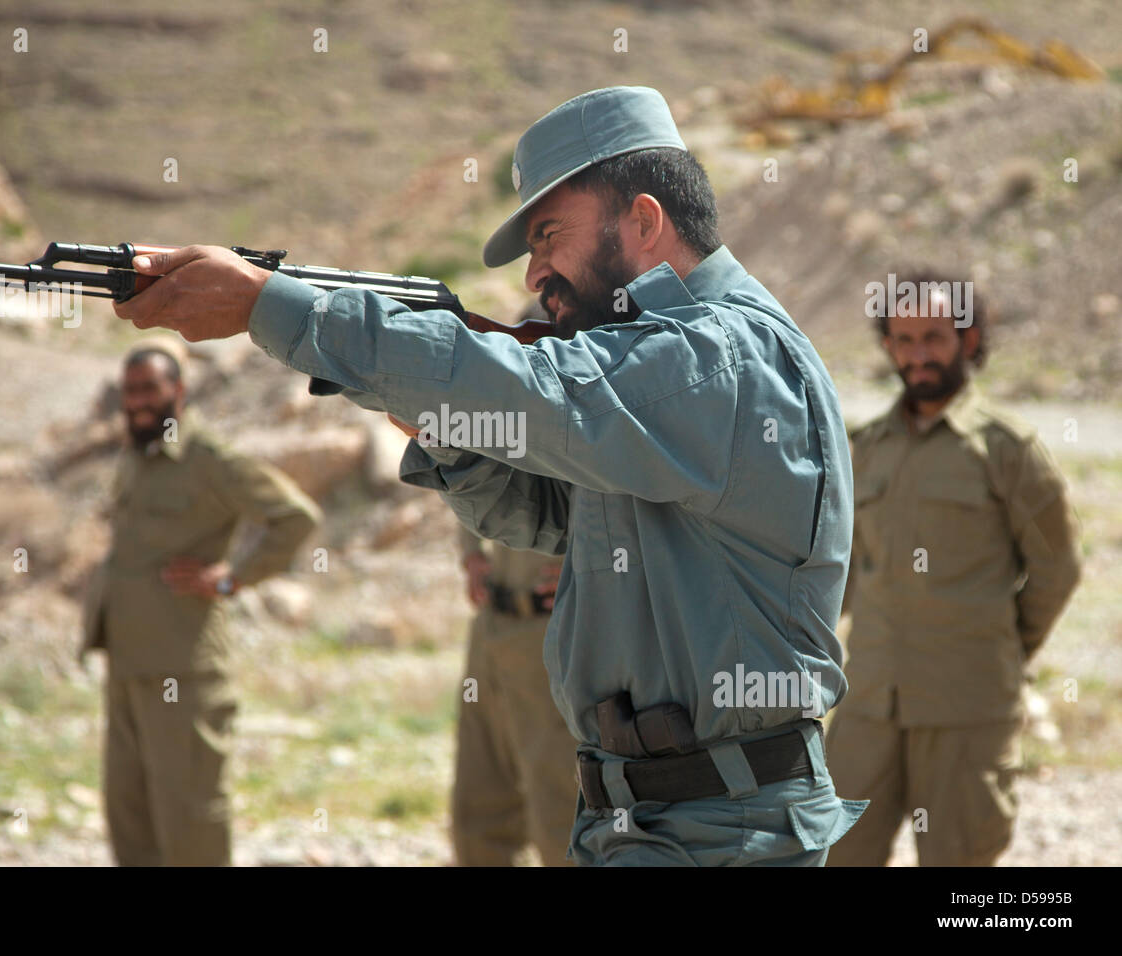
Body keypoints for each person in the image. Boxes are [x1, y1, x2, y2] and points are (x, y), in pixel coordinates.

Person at [113, 86, 866, 865]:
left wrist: (276, 309)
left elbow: (530, 391)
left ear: (644, 221)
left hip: (721, 829)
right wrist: (426, 412)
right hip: (646, 819)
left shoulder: (716, 355)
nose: (537, 271)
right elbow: (544, 513)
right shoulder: (663, 370)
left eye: (548, 235)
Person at [826, 275, 1082, 866]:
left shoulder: (1007, 450)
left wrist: (998, 646)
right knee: (834, 855)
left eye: (936, 337)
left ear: (970, 341)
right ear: (888, 346)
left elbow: (1058, 566)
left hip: (968, 709)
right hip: (868, 707)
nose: (919, 354)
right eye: (905, 338)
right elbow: (841, 573)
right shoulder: (863, 447)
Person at [80, 337, 322, 866]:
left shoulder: (208, 458)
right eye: (130, 391)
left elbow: (295, 516)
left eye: (150, 388)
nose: (138, 400)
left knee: (190, 821)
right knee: (131, 820)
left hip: (184, 673)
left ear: (179, 391)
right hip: (128, 667)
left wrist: (232, 579)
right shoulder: (137, 456)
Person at [453, 527, 577, 866]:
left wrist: (602, 569)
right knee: (477, 813)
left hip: (556, 631)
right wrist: (470, 551)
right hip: (492, 622)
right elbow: (461, 475)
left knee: (561, 823)